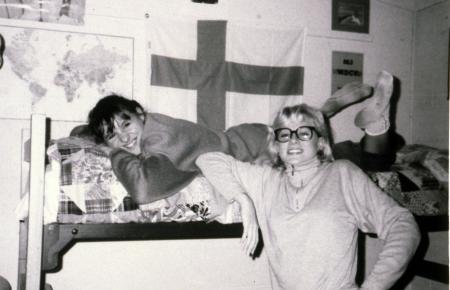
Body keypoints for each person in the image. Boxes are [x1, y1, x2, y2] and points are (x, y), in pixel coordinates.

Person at [81, 71, 395, 206]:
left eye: (126, 123)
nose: (124, 137)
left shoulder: (158, 137)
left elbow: (144, 189)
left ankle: (371, 123)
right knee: (336, 152)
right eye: (113, 134)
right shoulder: (157, 127)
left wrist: (112, 152)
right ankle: (329, 111)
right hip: (249, 137)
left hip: (261, 151)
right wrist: (94, 136)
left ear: (140, 113)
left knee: (374, 162)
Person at [195, 103, 420, 290]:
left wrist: (373, 288)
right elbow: (207, 158)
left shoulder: (342, 173)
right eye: (285, 134)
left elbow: (403, 225)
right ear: (276, 145)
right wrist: (244, 201)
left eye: (304, 133)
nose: (293, 140)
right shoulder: (267, 181)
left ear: (320, 142)